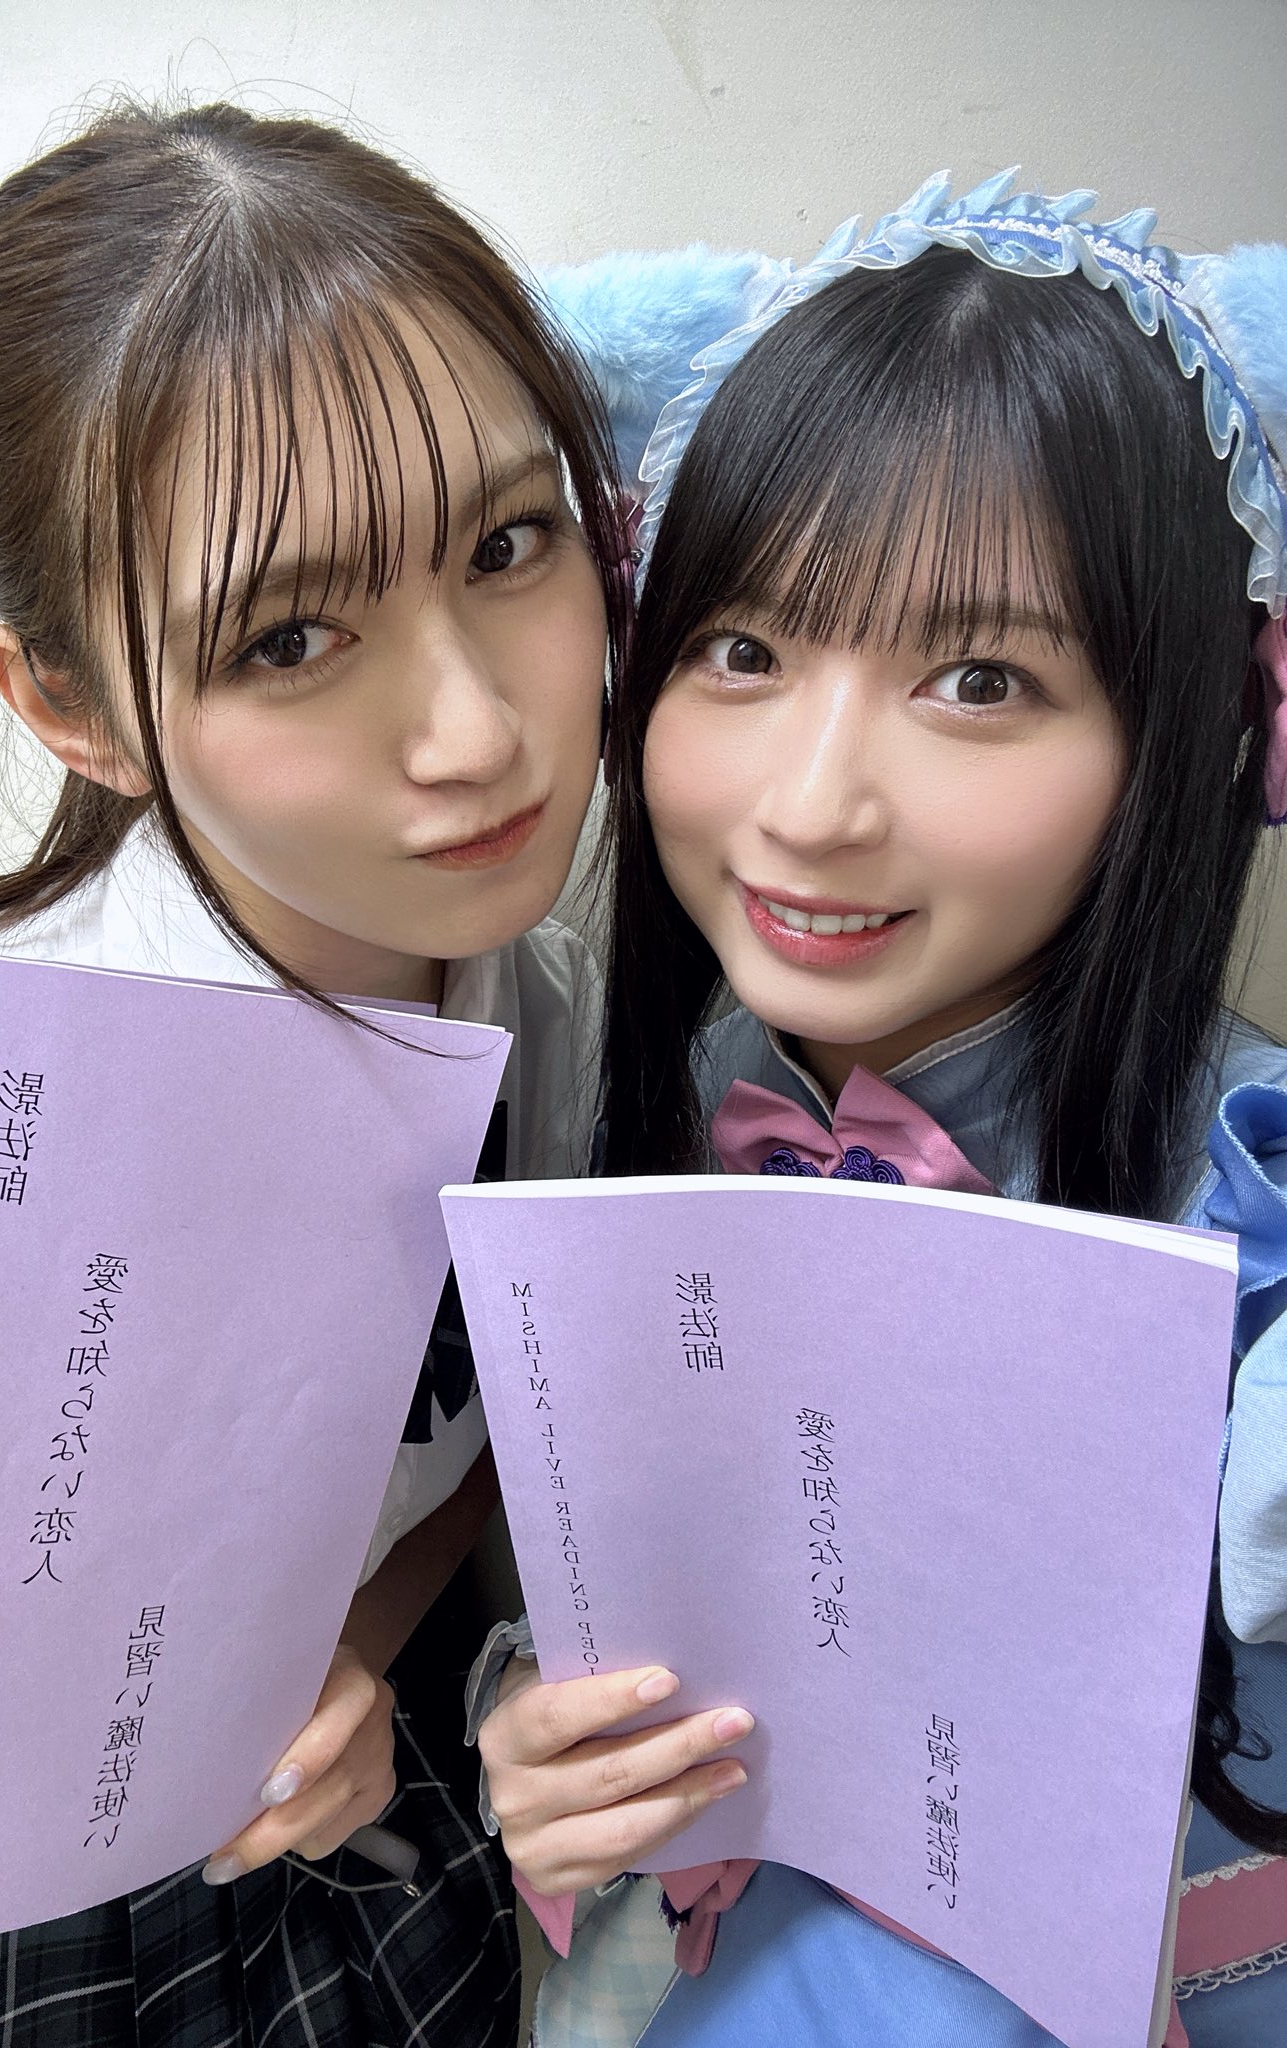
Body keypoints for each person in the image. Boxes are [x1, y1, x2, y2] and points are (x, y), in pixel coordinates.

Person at [0, 98, 730, 2048]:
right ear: (71, 705)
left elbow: (465, 1426)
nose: (477, 733)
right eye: (290, 637)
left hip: (369, 1851)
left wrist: (336, 1649)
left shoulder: (558, 976)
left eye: (509, 542)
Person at [476, 179, 1287, 2046]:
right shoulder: (631, 1091)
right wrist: (546, 1733)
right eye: (743, 651)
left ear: (1200, 729)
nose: (812, 803)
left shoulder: (1249, 1190)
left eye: (979, 679)